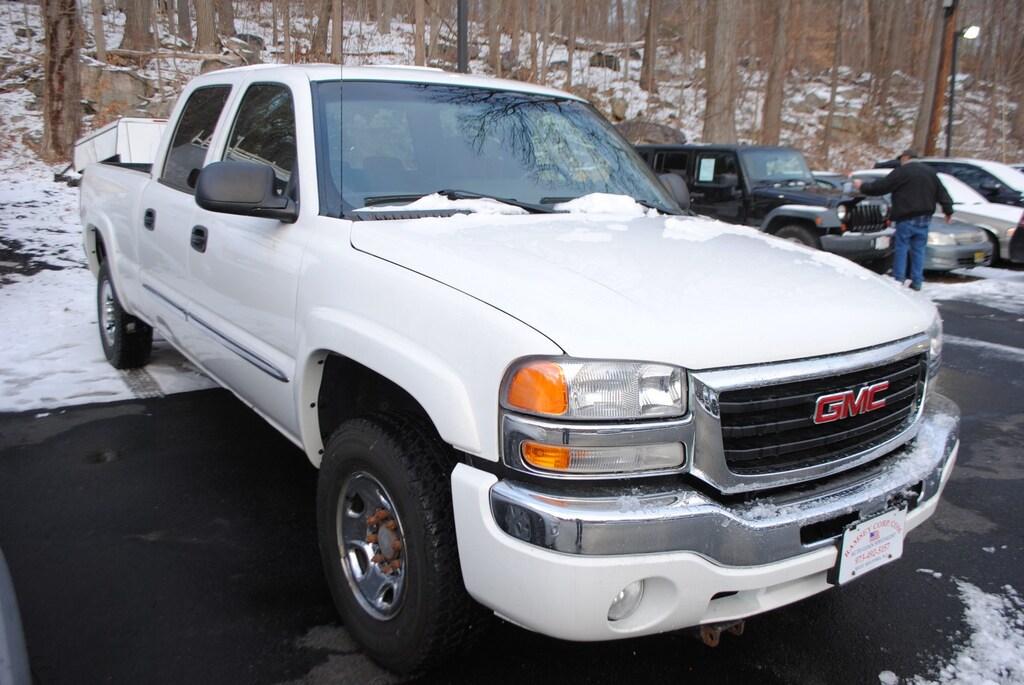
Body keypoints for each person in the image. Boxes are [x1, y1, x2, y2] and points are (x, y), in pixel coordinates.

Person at [854, 148, 954, 291]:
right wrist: (948, 210)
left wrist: (862, 186)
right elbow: (942, 192)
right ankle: (917, 281)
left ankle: (898, 279)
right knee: (919, 249)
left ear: (905, 158)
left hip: (906, 217)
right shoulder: (929, 172)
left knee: (901, 248)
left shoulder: (902, 172)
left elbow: (881, 187)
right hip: (924, 217)